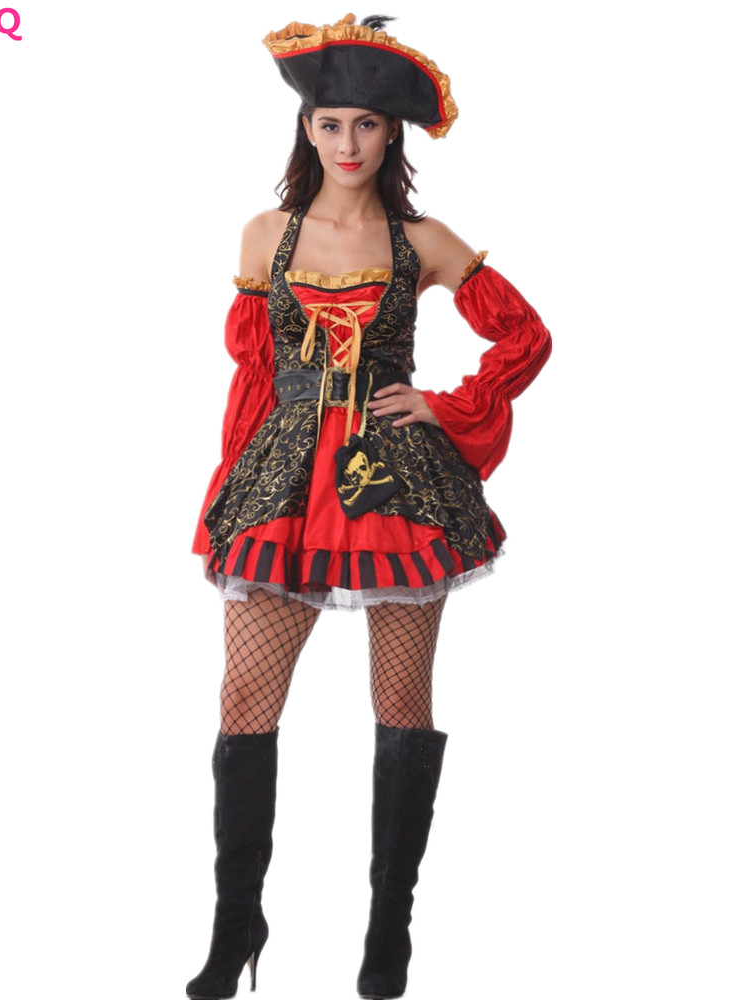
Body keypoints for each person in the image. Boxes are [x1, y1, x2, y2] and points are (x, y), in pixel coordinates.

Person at [186, 14, 552, 1000]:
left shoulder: (422, 242)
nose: (347, 143)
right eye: (330, 123)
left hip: (393, 488)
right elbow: (255, 377)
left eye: (366, 125)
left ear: (392, 134)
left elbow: (525, 336)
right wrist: (230, 488)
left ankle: (390, 930)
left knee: (400, 705)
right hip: (284, 487)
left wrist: (445, 406)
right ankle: (237, 923)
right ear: (306, 129)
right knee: (243, 702)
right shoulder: (266, 235)